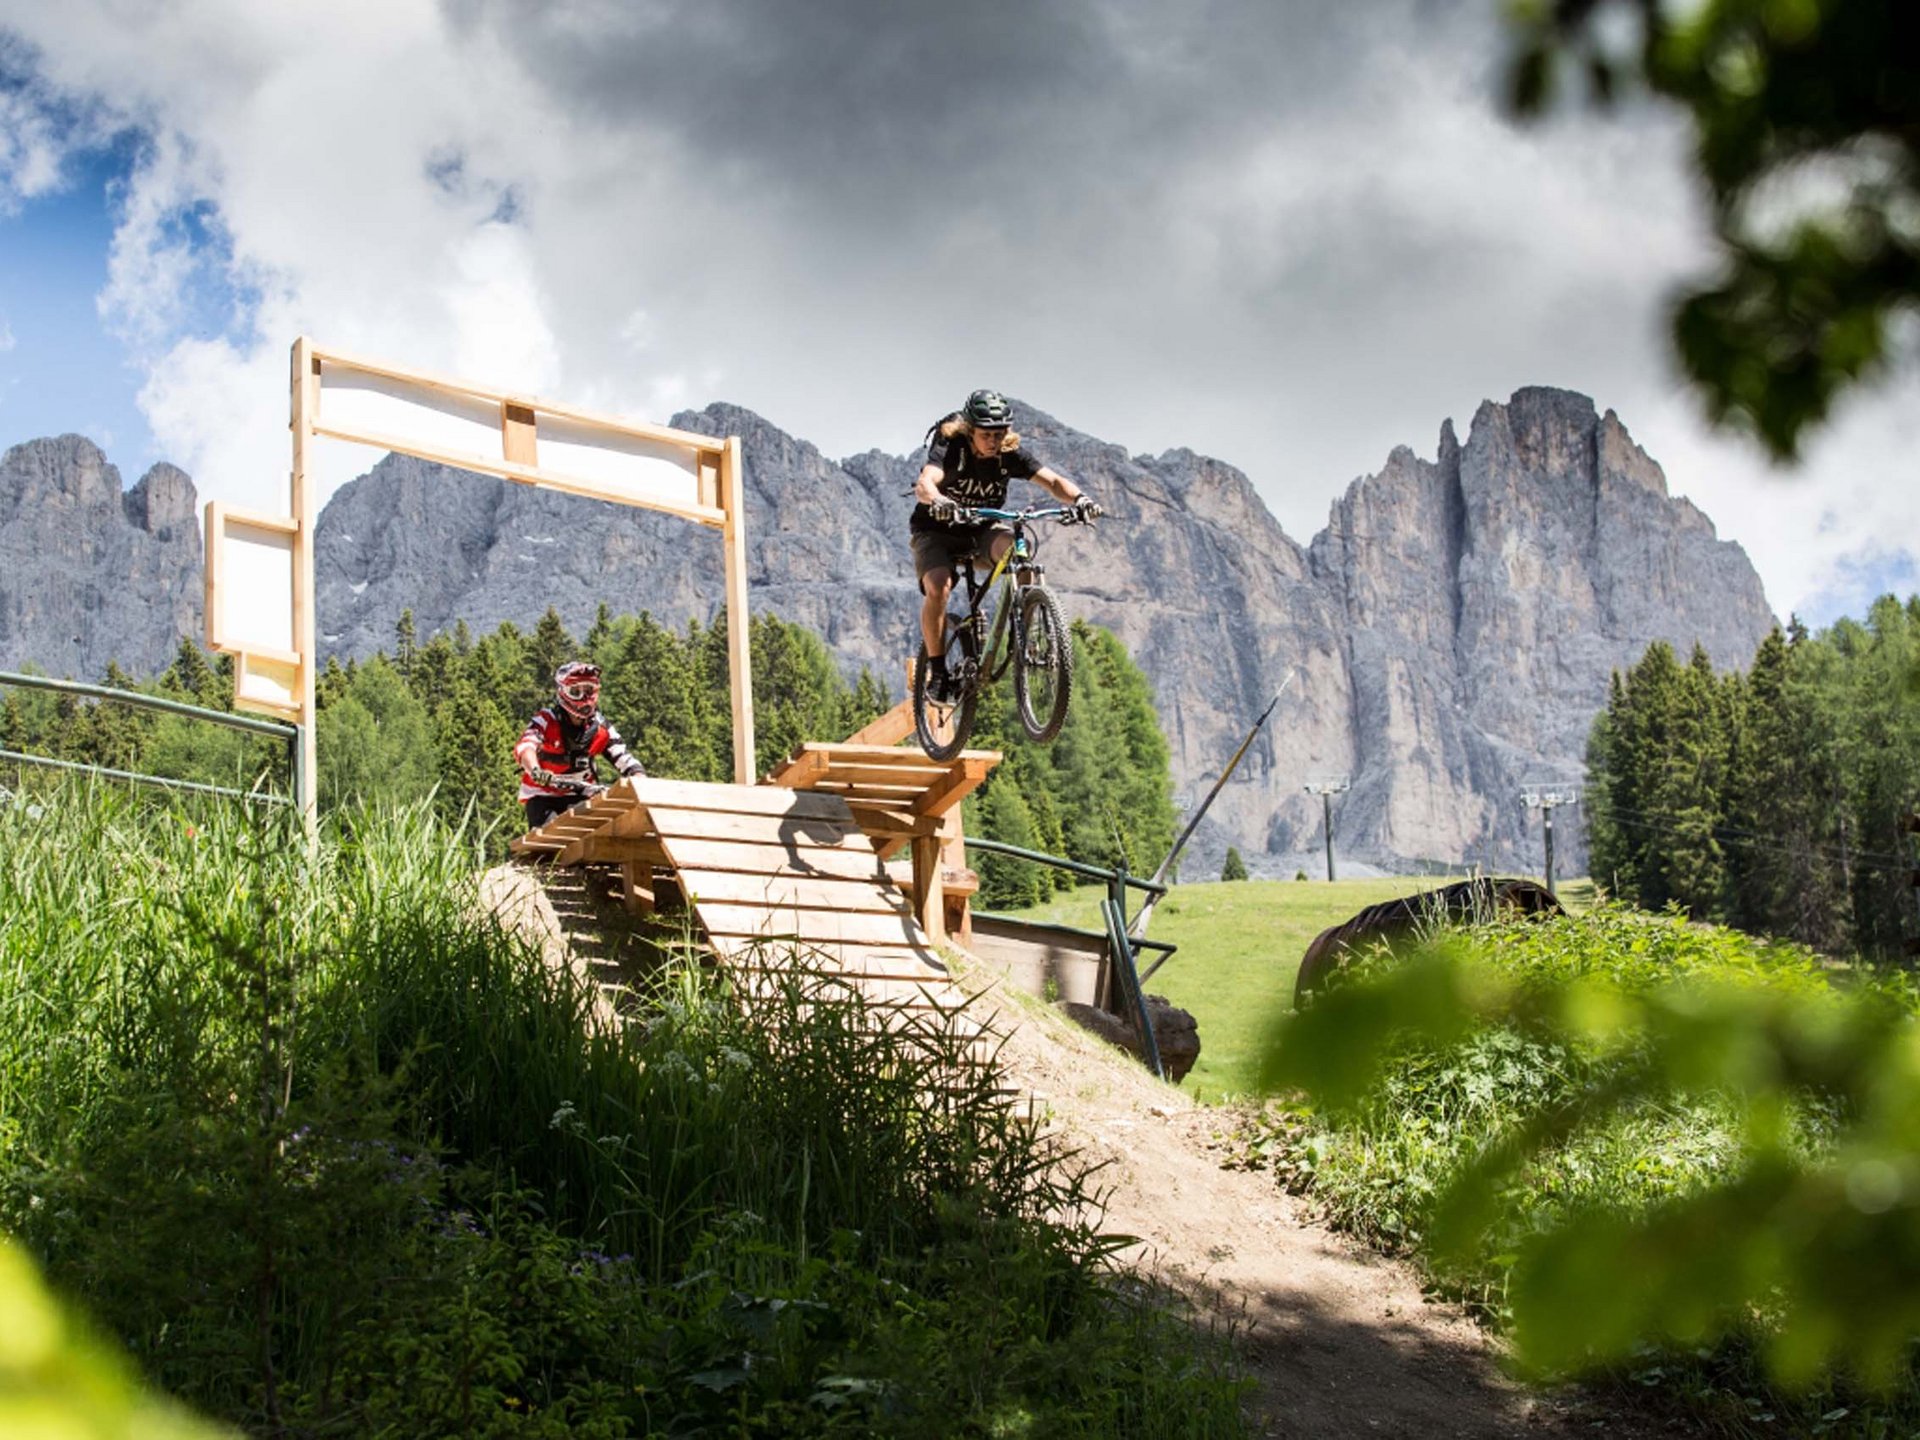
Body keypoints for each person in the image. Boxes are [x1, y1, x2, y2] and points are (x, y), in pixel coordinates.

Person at [911, 389, 1101, 699]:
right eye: (986, 434)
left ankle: (1022, 634)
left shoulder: (1009, 454)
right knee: (939, 586)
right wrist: (940, 500)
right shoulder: (952, 446)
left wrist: (1081, 499)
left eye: (999, 434)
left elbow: (1052, 482)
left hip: (981, 529)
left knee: (1019, 553)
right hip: (936, 530)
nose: (993, 441)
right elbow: (926, 482)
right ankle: (939, 671)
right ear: (971, 431)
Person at [514, 660, 646, 830]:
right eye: (575, 692)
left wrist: (639, 778)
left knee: (604, 833)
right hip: (543, 795)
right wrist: (535, 770)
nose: (584, 698)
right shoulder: (546, 720)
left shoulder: (601, 727)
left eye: (589, 690)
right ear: (563, 692)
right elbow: (526, 746)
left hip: (582, 795)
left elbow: (623, 757)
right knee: (550, 835)